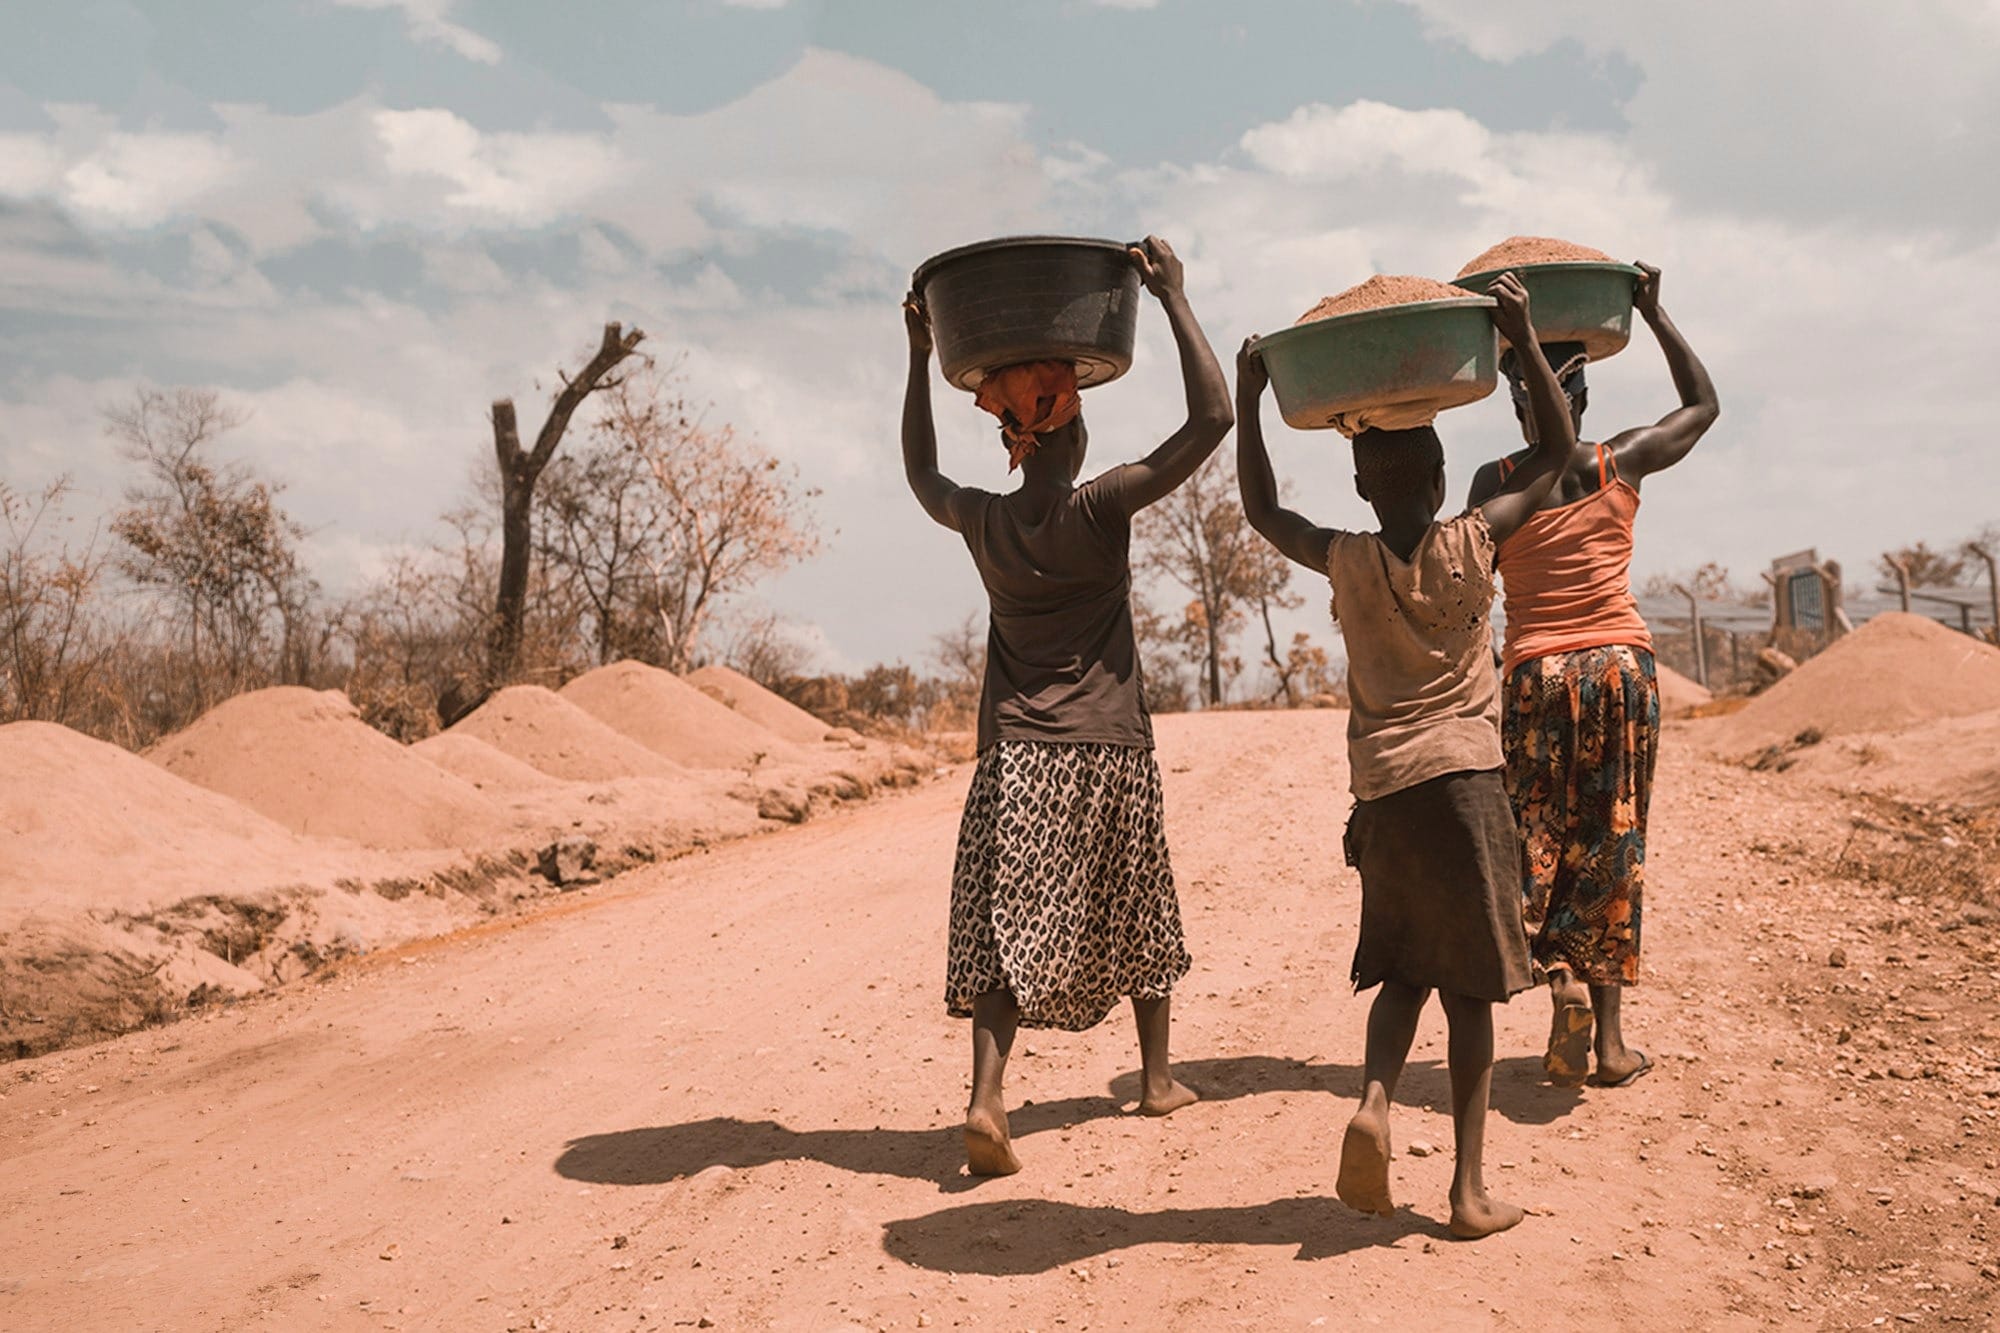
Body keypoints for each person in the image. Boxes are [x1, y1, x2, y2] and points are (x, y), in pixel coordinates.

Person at [1235, 273, 1573, 1239]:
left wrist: (1256, 400)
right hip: (1469, 784)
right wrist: (1519, 335)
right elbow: (1551, 451)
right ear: (1436, 477)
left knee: (1401, 970)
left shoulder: (1345, 557)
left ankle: (1375, 1100)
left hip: (1384, 794)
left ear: (1360, 484)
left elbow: (1261, 511)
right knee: (1470, 990)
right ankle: (1466, 1191)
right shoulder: (1477, 539)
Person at [902, 234, 1233, 1177]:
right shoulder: (1101, 507)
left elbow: (920, 475)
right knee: (1141, 909)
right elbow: (1211, 421)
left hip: (1017, 756)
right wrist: (1173, 296)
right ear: (1069, 435)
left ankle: (985, 1097)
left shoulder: (986, 518)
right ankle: (1158, 1076)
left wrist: (918, 358)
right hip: (1110, 749)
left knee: (1013, 925)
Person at [1463, 263, 1719, 1089]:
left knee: (1537, 842)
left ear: (1518, 397)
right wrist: (1653, 308)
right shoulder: (1622, 461)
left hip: (1538, 673)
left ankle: (1560, 980)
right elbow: (1703, 406)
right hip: (1621, 668)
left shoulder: (1494, 484)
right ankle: (1608, 1045)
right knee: (1614, 842)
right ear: (1581, 399)